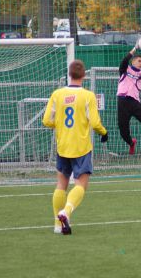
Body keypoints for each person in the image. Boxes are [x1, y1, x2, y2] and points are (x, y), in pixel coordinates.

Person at [42, 60, 108, 235]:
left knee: (61, 185)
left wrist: (60, 124)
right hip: (81, 147)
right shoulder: (88, 96)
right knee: (81, 184)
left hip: (63, 145)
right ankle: (66, 211)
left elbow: (46, 120)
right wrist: (104, 132)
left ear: (69, 74)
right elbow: (94, 122)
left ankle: (57, 224)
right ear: (84, 75)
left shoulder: (57, 94)